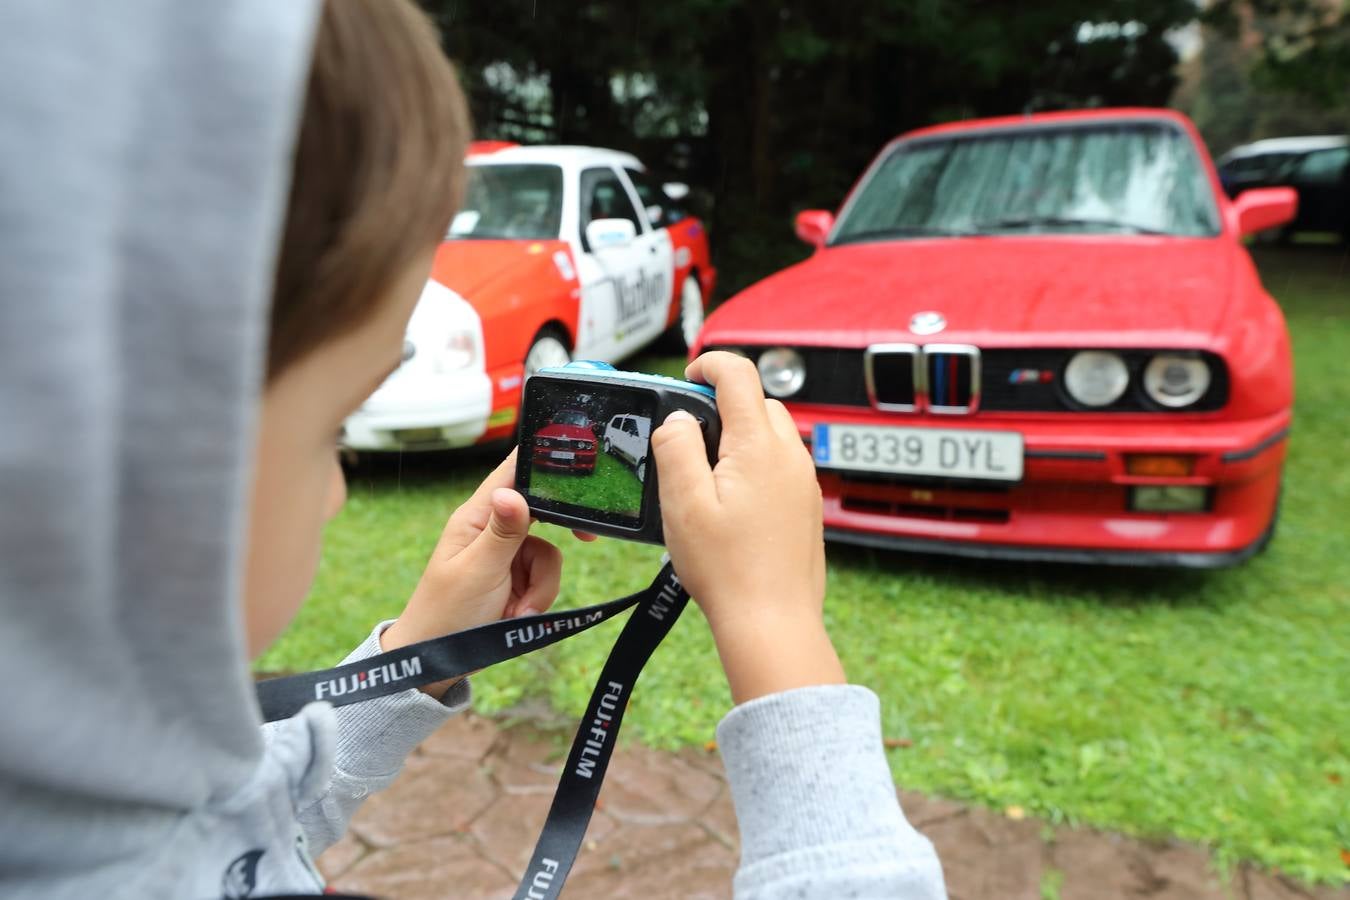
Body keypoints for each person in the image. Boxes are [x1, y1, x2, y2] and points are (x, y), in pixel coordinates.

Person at [0, 0, 946, 897]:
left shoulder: (77, 792)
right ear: (100, 450)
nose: (336, 493)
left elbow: (235, 825)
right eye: (332, 427)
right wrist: (778, 631)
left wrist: (418, 650)